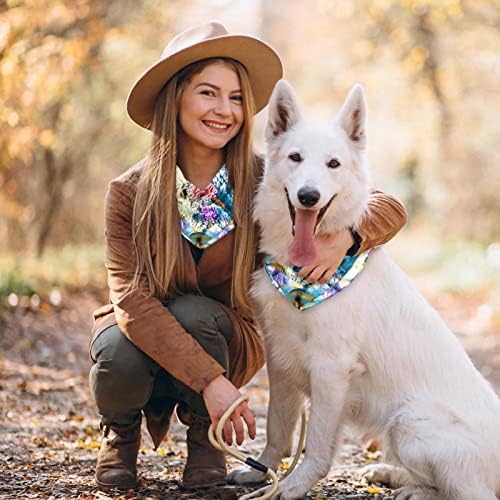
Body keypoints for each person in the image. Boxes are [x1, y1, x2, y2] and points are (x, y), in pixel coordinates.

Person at [88, 21, 408, 491]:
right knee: (116, 344)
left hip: (224, 335)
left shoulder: (270, 174)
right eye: (208, 93)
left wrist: (349, 236)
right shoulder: (128, 193)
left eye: (236, 98)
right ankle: (120, 435)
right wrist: (211, 381)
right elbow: (132, 303)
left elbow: (387, 205)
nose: (225, 110)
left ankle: (206, 442)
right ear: (174, 98)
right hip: (147, 342)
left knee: (196, 313)